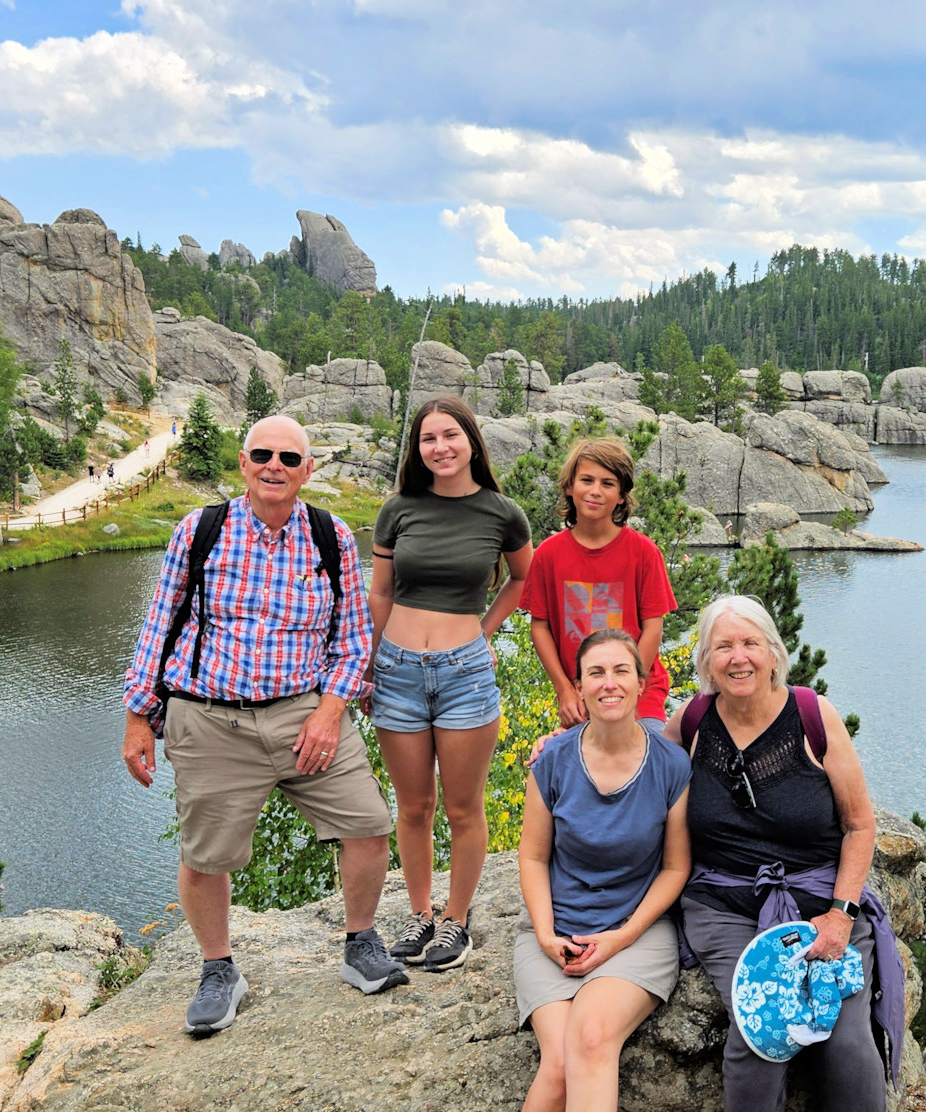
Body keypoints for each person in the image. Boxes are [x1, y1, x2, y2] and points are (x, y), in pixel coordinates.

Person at [123, 414, 407, 1037]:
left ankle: (361, 943)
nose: (273, 466)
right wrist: (139, 717)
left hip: (305, 712)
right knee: (205, 856)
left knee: (368, 822)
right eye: (262, 454)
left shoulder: (331, 538)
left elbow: (354, 641)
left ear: (308, 470)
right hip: (210, 719)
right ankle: (218, 969)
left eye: (288, 457)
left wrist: (331, 711)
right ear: (243, 463)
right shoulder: (201, 531)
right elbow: (158, 623)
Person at [667, 595, 899, 1112]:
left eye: (750, 644)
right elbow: (633, 768)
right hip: (725, 903)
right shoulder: (691, 725)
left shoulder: (812, 717)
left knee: (845, 1040)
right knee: (762, 1026)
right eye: (724, 646)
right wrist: (561, 750)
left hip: (822, 898)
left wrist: (842, 915)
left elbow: (860, 826)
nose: (738, 657)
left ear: (774, 654)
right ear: (706, 661)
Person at [512, 629, 690, 1112]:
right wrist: (545, 934)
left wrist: (620, 937)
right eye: (596, 673)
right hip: (555, 927)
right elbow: (533, 857)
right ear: (580, 688)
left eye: (621, 671)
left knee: (591, 1036)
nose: (609, 683)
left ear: (641, 683)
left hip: (636, 930)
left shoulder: (671, 764)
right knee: (562, 1062)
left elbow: (676, 866)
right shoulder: (554, 760)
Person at [367, 396, 533, 972]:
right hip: (398, 671)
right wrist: (369, 666)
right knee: (412, 806)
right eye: (428, 438)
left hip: (466, 675)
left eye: (450, 436)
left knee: (463, 808)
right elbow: (381, 594)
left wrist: (483, 631)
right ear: (418, 449)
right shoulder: (398, 510)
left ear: (471, 442)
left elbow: (521, 580)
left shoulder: (502, 513)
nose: (439, 447)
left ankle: (456, 922)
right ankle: (420, 915)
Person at [522, 438, 676, 733]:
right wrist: (565, 690)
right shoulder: (548, 555)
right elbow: (539, 627)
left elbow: (653, 627)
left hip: (639, 695)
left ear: (621, 496)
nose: (595, 491)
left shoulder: (643, 552)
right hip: (582, 695)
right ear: (569, 487)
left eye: (608, 483)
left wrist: (630, 685)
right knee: (572, 770)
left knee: (645, 763)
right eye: (586, 480)